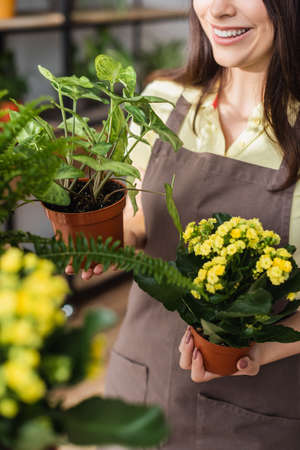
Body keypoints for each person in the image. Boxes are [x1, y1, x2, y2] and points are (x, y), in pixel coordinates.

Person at [67, 1, 300, 448]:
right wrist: (97, 241)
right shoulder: (163, 97)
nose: (218, 8)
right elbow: (137, 227)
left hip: (258, 419)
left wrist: (260, 349)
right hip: (139, 393)